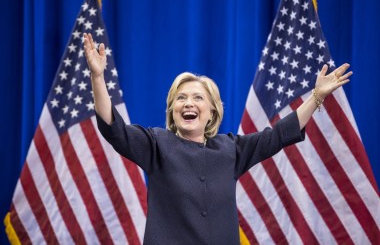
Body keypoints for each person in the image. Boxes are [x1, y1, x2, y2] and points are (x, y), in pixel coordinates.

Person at [83, 32, 352, 244]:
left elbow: (279, 135)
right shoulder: (156, 144)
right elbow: (113, 128)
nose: (188, 103)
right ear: (172, 110)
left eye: (197, 98)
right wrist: (97, 76)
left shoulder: (230, 149)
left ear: (212, 111)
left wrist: (316, 96)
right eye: (181, 98)